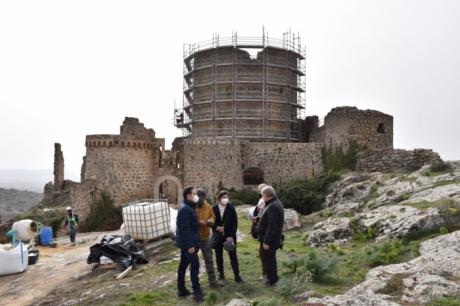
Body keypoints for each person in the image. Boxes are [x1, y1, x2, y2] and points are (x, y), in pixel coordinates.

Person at [175, 186, 204, 302]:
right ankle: (197, 293)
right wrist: (190, 245)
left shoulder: (189, 207)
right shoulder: (186, 209)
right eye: (194, 193)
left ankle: (181, 289)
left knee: (183, 265)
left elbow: (189, 225)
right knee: (195, 266)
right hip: (188, 244)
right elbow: (185, 228)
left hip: (186, 243)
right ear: (188, 195)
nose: (196, 195)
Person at [212, 190, 244, 283]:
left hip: (229, 236)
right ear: (219, 199)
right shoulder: (214, 208)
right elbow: (211, 222)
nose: (225, 199)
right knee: (218, 256)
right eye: (223, 197)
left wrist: (231, 236)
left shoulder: (231, 208)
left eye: (227, 197)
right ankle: (221, 275)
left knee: (233, 255)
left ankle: (237, 275)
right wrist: (216, 227)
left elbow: (235, 223)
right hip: (218, 236)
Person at [257, 186, 284, 286]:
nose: (261, 196)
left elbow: (272, 226)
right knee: (267, 259)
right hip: (271, 238)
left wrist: (266, 242)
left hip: (270, 240)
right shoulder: (275, 203)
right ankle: (269, 278)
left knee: (269, 260)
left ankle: (272, 280)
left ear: (266, 195)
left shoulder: (273, 206)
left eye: (262, 194)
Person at [195, 188, 222, 288]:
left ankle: (213, 282)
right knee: (194, 262)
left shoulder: (208, 206)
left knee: (209, 259)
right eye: (199, 198)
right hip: (195, 238)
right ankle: (195, 284)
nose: (201, 200)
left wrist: (211, 220)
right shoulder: (191, 207)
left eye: (203, 198)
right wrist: (198, 222)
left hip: (206, 237)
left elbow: (213, 216)